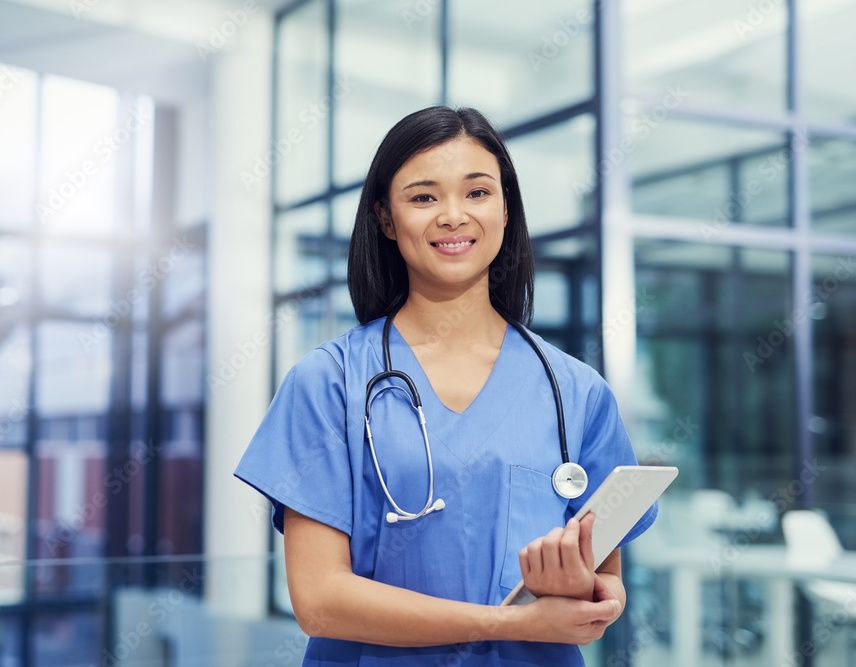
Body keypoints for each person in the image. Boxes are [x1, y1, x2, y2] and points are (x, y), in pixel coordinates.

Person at [234, 106, 657, 665]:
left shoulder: (576, 392)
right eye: (424, 197)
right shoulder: (329, 382)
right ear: (386, 219)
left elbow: (608, 583)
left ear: (506, 209)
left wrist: (592, 600)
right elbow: (320, 602)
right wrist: (512, 622)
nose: (453, 216)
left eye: (477, 193)